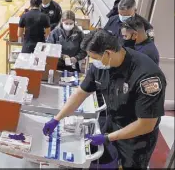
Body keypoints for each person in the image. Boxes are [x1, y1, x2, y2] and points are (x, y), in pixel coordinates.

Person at [42, 29, 167, 168]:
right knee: (106, 160)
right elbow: (80, 94)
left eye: (94, 58)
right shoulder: (101, 65)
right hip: (112, 123)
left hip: (137, 138)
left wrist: (108, 137)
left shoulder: (147, 77)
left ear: (108, 53)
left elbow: (146, 124)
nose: (93, 62)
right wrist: (57, 119)